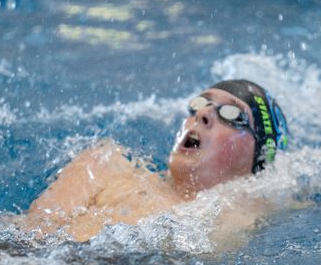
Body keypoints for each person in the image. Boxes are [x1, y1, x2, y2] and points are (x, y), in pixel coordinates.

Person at [21, 79, 289, 243]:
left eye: (232, 115)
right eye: (199, 105)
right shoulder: (104, 165)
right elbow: (32, 235)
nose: (204, 113)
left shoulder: (238, 218)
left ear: (260, 156)